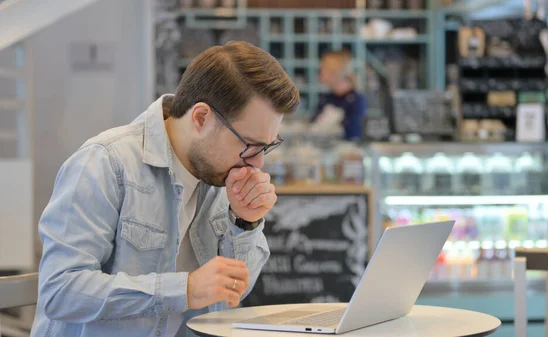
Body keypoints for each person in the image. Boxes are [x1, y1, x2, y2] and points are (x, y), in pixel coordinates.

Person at [31, 41, 299, 337]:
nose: (258, 162)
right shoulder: (105, 163)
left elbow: (229, 296)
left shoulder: (222, 174)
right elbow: (61, 291)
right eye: (250, 145)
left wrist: (245, 223)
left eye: (267, 146)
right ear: (201, 118)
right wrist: (184, 289)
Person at [313, 50, 367, 141]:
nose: (319, 73)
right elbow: (313, 124)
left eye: (322, 69)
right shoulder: (326, 98)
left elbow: (353, 134)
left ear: (335, 72)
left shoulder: (356, 100)